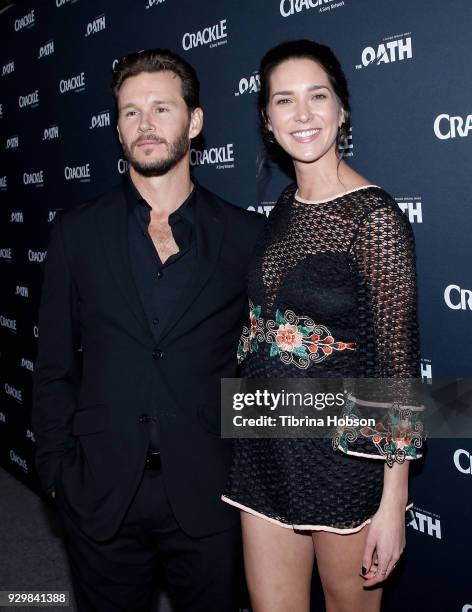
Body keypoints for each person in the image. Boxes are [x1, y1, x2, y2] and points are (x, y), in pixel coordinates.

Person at [33, 48, 265, 612]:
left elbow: (267, 366)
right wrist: (58, 475)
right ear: (117, 129)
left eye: (162, 109)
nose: (146, 125)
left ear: (196, 120)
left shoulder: (245, 237)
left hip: (210, 492)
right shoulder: (76, 233)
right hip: (101, 489)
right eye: (131, 112)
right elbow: (55, 367)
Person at [222, 40, 424, 612]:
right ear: (266, 120)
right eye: (284, 100)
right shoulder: (285, 206)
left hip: (344, 461)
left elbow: (397, 367)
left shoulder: (375, 218)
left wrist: (393, 503)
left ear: (342, 109)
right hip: (263, 447)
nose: (302, 114)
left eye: (318, 96)